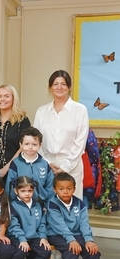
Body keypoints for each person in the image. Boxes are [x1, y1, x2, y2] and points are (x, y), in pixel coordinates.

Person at [34, 70, 89, 199]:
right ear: (50, 88)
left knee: (71, 205)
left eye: (63, 84)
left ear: (69, 87)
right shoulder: (42, 111)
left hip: (72, 164)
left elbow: (80, 142)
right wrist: (47, 162)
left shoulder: (80, 110)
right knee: (49, 205)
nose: (59, 87)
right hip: (47, 164)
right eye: (55, 84)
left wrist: (65, 166)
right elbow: (36, 140)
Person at [46, 173, 101, 259]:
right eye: (61, 189)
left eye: (69, 188)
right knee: (72, 250)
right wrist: (71, 240)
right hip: (57, 234)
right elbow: (59, 225)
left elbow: (84, 224)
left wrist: (89, 240)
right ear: (55, 189)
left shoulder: (80, 204)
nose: (65, 191)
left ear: (74, 189)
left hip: (76, 234)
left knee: (92, 251)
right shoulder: (52, 204)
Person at [7, 176, 51, 259]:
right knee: (22, 250)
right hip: (18, 237)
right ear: (16, 191)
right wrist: (22, 239)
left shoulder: (38, 205)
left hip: (34, 236)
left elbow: (42, 223)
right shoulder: (13, 206)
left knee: (45, 251)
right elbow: (13, 225)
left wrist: (43, 237)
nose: (27, 194)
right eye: (23, 191)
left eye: (30, 191)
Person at [0, 84, 30, 178]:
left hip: (15, 170)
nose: (2, 99)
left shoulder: (22, 120)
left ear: (13, 99)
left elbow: (24, 147)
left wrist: (6, 169)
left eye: (7, 96)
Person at [6, 127, 54, 203]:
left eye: (34, 144)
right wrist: (13, 204)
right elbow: (10, 186)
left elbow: (50, 187)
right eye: (27, 144)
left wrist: (48, 204)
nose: (30, 147)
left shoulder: (44, 164)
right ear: (21, 144)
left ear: (40, 145)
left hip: (41, 205)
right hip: (20, 204)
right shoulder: (15, 164)